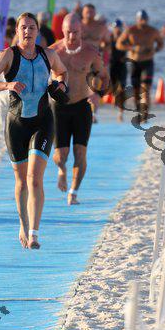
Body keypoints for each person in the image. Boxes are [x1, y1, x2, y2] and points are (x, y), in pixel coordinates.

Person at [0, 12, 68, 250]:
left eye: (32, 27)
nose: (27, 31)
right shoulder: (7, 55)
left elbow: (62, 72)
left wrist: (60, 84)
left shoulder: (49, 55)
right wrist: (7, 84)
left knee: (34, 179)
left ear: (38, 31)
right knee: (21, 181)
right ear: (17, 31)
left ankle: (34, 233)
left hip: (43, 122)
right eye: (23, 27)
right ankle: (23, 224)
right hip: (16, 124)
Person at [51, 13, 109, 205]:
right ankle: (61, 169)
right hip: (58, 107)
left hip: (82, 106)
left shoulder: (90, 52)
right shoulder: (53, 52)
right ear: (62, 30)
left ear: (81, 30)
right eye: (68, 32)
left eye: (75, 32)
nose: (71, 36)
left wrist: (98, 94)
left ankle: (73, 192)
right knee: (61, 155)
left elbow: (104, 77)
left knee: (80, 152)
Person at [116, 10, 164, 122]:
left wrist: (155, 50)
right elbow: (119, 44)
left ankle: (145, 115)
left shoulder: (153, 31)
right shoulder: (131, 30)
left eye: (145, 19)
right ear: (137, 19)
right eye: (141, 19)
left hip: (147, 62)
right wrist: (130, 48)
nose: (143, 21)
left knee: (146, 89)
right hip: (134, 63)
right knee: (136, 90)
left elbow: (161, 43)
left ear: (147, 19)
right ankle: (139, 112)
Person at [81, 4, 111, 122]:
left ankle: (93, 114)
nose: (89, 14)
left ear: (94, 13)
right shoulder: (78, 25)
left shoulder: (101, 27)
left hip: (95, 60)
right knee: (80, 87)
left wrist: (104, 51)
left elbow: (108, 42)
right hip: (80, 60)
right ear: (82, 13)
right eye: (87, 12)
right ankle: (82, 111)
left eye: (91, 12)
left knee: (95, 85)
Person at [110, 19, 127, 120]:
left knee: (122, 88)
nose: (117, 30)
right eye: (116, 28)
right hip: (112, 65)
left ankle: (121, 112)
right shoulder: (109, 38)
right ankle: (115, 99)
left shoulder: (124, 38)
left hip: (122, 66)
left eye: (119, 28)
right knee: (113, 87)